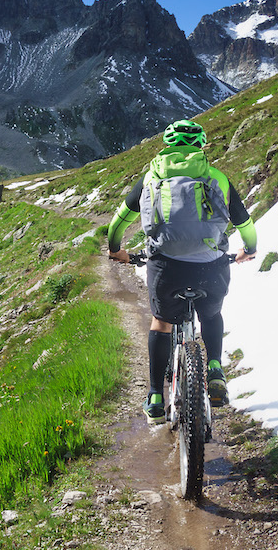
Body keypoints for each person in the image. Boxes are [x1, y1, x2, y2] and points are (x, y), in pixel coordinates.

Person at [106, 119, 258, 424]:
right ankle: (214, 367)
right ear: (200, 145)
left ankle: (155, 397)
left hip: (167, 267)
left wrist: (116, 251)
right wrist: (249, 250)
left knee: (161, 322)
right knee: (211, 315)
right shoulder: (217, 178)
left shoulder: (151, 178)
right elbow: (244, 224)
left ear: (167, 145)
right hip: (210, 267)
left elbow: (117, 224)